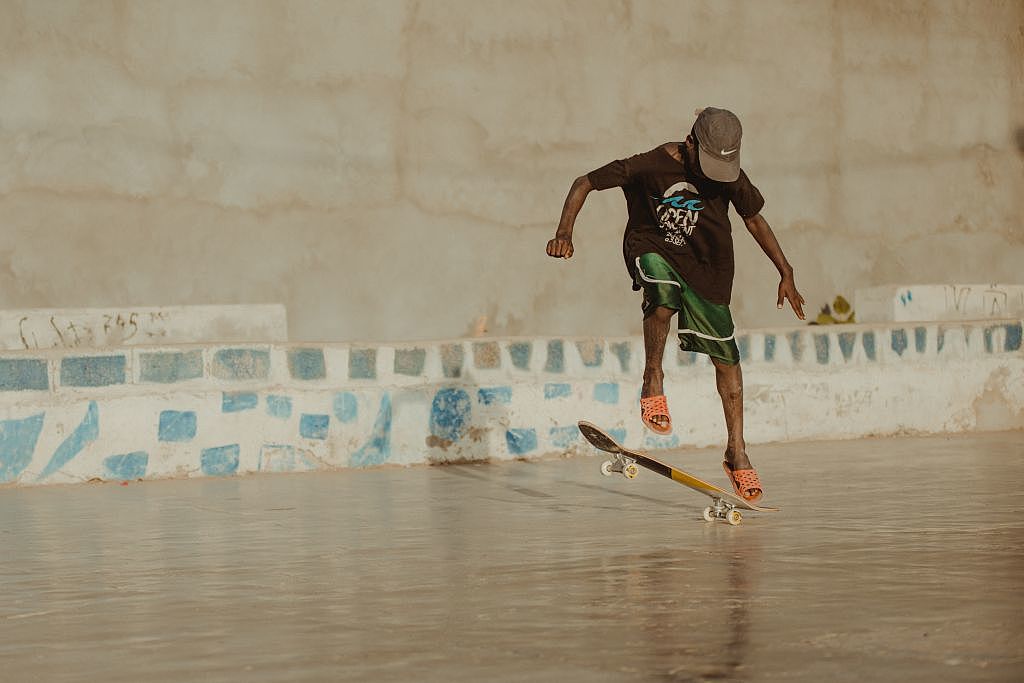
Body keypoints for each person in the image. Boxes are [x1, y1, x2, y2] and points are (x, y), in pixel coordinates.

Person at [546, 107, 805, 502]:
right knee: (663, 293)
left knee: (728, 361)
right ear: (690, 144)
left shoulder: (731, 177)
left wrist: (785, 270)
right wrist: (564, 231)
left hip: (708, 268)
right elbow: (584, 182)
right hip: (651, 249)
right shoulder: (648, 164)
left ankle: (737, 451)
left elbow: (755, 219)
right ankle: (653, 378)